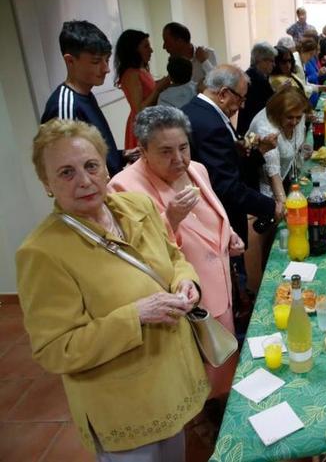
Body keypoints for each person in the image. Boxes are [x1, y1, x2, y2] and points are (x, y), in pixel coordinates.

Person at [16, 119, 209, 460]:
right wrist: (135, 316)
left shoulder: (139, 206)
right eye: (66, 173)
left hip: (173, 381)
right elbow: (56, 349)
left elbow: (173, 255)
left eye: (91, 166)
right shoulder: (42, 252)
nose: (85, 180)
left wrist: (186, 280)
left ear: (106, 167)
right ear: (46, 183)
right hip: (125, 406)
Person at [109, 105, 243, 400]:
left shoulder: (197, 169)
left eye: (183, 147)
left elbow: (212, 216)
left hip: (219, 282)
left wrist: (228, 233)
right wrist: (170, 219)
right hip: (184, 295)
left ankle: (221, 406)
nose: (179, 159)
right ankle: (199, 419)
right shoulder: (123, 188)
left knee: (222, 355)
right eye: (166, 151)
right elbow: (135, 254)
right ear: (143, 150)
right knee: (194, 369)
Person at [182, 65, 279, 248]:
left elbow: (227, 161)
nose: (242, 105)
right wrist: (271, 206)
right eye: (240, 98)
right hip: (219, 220)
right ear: (224, 93)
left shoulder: (196, 109)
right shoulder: (211, 125)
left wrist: (256, 151)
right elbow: (226, 186)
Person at [41, 20, 126, 176]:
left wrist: (121, 155)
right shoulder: (64, 106)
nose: (106, 69)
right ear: (70, 61)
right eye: (96, 62)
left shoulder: (87, 94)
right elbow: (70, 170)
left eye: (106, 60)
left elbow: (93, 149)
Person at [246, 87, 310, 292]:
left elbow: (295, 143)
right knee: (270, 236)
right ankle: (265, 286)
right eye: (289, 118)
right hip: (258, 185)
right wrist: (282, 202)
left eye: (298, 118)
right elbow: (271, 172)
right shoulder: (266, 129)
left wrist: (301, 153)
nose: (294, 122)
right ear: (277, 114)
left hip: (285, 180)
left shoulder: (297, 117)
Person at [115, 29, 171, 149]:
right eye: (146, 47)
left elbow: (147, 90)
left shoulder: (141, 70)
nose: (151, 50)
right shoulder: (131, 74)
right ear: (134, 50)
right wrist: (158, 88)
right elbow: (139, 109)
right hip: (142, 125)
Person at [237, 42, 277, 136]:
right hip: (253, 130)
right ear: (260, 60)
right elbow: (267, 104)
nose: (274, 64)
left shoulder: (259, 75)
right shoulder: (254, 79)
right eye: (271, 61)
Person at [162, 22, 217, 86]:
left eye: (166, 41)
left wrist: (204, 61)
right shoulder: (174, 63)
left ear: (179, 41)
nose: (164, 47)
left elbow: (217, 83)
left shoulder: (208, 53)